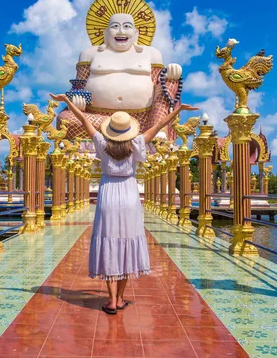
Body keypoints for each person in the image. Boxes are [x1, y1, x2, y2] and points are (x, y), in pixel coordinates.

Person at [51, 93, 198, 314]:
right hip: (129, 194)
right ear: (128, 129)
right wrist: (177, 111)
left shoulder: (101, 143)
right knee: (127, 243)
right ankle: (119, 298)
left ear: (110, 129)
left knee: (110, 241)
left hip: (108, 193)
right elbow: (158, 125)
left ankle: (111, 301)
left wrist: (67, 101)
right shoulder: (136, 143)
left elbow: (84, 120)